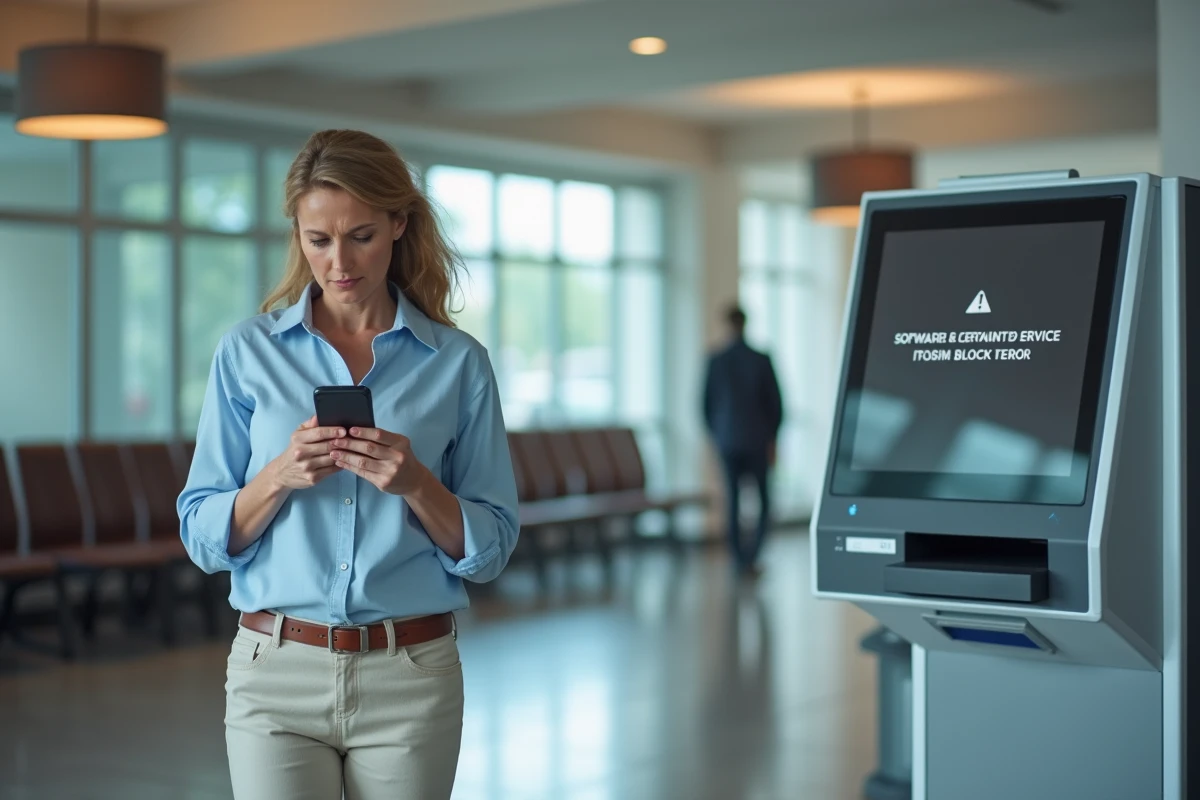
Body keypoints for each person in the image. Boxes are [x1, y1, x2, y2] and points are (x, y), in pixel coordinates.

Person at [177, 129, 519, 800]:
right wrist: (278, 476)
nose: (339, 262)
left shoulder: (458, 363)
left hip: (411, 675)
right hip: (272, 671)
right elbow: (201, 533)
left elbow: (492, 546)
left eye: (361, 235)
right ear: (298, 235)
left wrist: (417, 484)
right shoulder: (247, 353)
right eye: (318, 239)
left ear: (399, 222)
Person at [702, 306, 783, 576]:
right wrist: (773, 438)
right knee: (763, 500)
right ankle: (752, 555)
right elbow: (776, 405)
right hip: (758, 440)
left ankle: (739, 558)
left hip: (728, 442)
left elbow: (705, 405)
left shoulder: (716, 360)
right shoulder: (760, 359)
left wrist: (717, 436)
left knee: (733, 500)